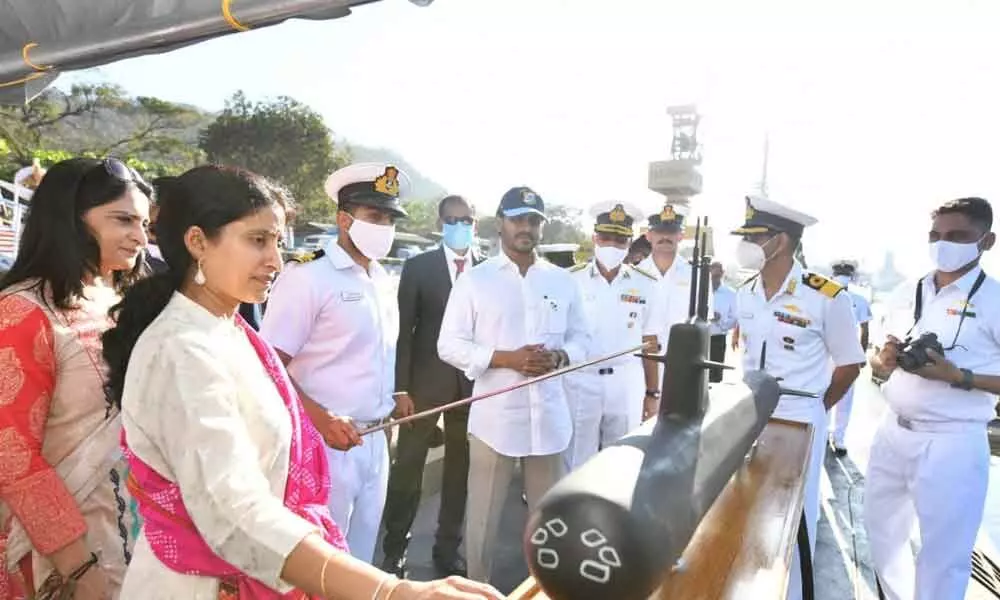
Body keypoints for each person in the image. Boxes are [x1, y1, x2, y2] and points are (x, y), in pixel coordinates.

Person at [100, 164, 502, 600]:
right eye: (257, 240)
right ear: (198, 242)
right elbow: (235, 514)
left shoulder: (229, 330)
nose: (274, 260)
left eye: (277, 241)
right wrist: (394, 592)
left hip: (354, 452)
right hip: (204, 584)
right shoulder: (180, 349)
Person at [0, 157, 150, 599]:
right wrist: (79, 568)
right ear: (69, 218)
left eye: (143, 222)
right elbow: (11, 453)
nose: (140, 237)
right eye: (123, 220)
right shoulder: (22, 311)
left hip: (127, 526)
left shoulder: (119, 300)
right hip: (57, 555)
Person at [438, 186, 589, 583]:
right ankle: (475, 590)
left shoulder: (562, 281)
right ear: (500, 223)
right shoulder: (475, 280)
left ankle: (545, 590)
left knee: (551, 525)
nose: (527, 227)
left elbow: (581, 339)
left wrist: (558, 357)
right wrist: (507, 358)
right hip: (495, 422)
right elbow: (449, 344)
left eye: (534, 220)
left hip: (549, 420)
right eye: (518, 219)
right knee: (483, 522)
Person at [260, 162, 405, 563]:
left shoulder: (381, 278)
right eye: (374, 216)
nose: (384, 226)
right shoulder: (309, 275)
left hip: (376, 439)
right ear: (344, 219)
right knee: (324, 563)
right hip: (325, 444)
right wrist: (321, 419)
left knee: (360, 559)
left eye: (390, 218)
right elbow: (268, 366)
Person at [730, 195, 864, 600]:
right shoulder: (746, 292)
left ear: (782, 241)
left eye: (756, 236)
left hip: (801, 417)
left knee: (795, 525)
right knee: (748, 515)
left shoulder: (825, 295)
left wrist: (816, 406)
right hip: (749, 416)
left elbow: (850, 364)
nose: (746, 244)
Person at [866, 197, 1000, 600]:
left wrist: (958, 375)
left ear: (987, 240)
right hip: (893, 432)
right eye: (935, 235)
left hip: (952, 442)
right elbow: (876, 355)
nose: (943, 244)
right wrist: (884, 360)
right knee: (882, 537)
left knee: (944, 556)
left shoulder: (995, 300)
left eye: (957, 236)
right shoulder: (910, 291)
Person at [380, 195, 481, 578]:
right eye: (453, 219)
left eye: (467, 219)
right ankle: (395, 550)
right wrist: (400, 389)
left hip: (470, 389)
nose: (461, 225)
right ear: (441, 223)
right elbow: (405, 332)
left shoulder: (486, 272)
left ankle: (447, 548)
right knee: (407, 470)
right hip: (422, 387)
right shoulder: (419, 267)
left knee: (460, 473)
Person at [562, 202, 663, 470]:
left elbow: (650, 343)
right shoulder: (569, 280)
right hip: (580, 380)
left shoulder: (646, 284)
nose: (612, 246)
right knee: (575, 462)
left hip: (626, 382)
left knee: (621, 463)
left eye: (620, 240)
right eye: (606, 238)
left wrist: (652, 393)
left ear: (630, 244)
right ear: (594, 238)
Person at [636, 203, 695, 355]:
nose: (665, 237)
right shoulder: (634, 275)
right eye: (659, 232)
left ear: (680, 236)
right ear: (648, 236)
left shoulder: (697, 275)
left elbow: (703, 324)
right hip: (642, 362)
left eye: (671, 232)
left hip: (681, 361)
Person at [826, 259, 872, 456]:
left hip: (847, 353)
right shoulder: (823, 295)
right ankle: (823, 432)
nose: (842, 274)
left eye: (846, 271)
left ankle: (839, 437)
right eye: (839, 271)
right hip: (825, 353)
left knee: (845, 398)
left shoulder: (859, 300)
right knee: (823, 394)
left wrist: (860, 355)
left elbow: (865, 328)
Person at [708, 261, 737, 383]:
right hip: (698, 338)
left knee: (715, 377)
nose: (714, 280)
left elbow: (735, 319)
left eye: (716, 276)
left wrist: (721, 320)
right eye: (712, 276)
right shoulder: (699, 290)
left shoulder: (730, 294)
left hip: (717, 339)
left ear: (722, 274)